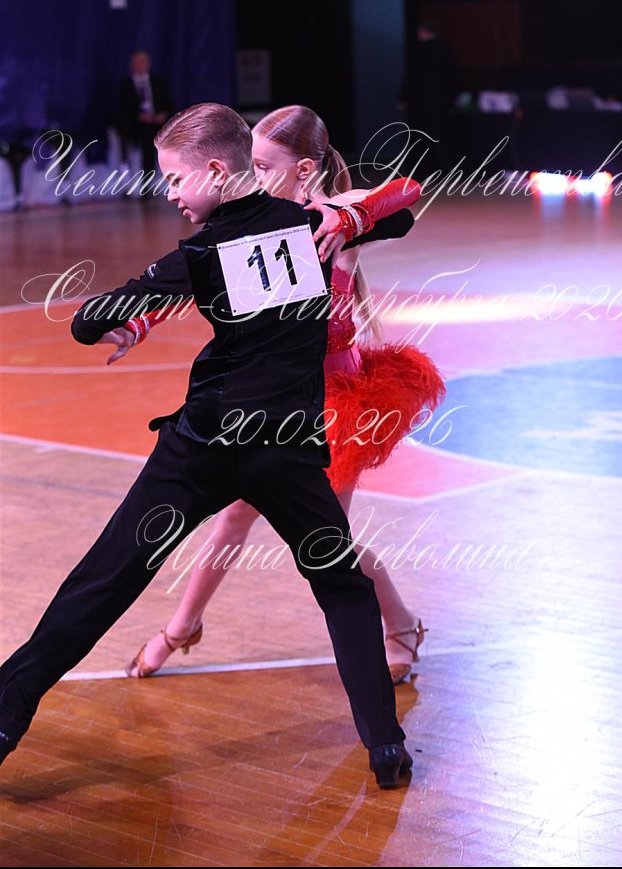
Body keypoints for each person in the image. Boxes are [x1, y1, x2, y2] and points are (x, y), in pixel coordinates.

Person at [0, 102, 413, 789]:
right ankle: (387, 746)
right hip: (286, 448)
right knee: (341, 586)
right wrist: (348, 218)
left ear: (218, 171)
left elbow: (85, 323)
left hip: (203, 449)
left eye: (175, 179)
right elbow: (399, 211)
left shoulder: (201, 252)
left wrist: (128, 309)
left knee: (105, 579)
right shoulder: (313, 227)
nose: (168, 193)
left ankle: (5, 717)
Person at [117, 105, 445, 686]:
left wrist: (350, 218)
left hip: (335, 403)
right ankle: (181, 627)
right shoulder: (256, 225)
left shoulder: (334, 217)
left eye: (265, 166)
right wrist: (139, 322)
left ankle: (399, 623)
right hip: (272, 398)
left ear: (305, 169)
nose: (254, 175)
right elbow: (197, 278)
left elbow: (407, 193)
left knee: (327, 541)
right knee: (233, 518)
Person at [398, 12, 457, 175]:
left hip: (422, 103)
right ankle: (446, 171)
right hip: (442, 102)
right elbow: (453, 78)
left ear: (423, 31)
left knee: (420, 138)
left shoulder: (419, 52)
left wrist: (403, 97)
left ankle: (421, 171)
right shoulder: (446, 51)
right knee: (441, 137)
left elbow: (413, 77)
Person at [112, 50, 175, 185]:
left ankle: (153, 179)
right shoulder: (125, 85)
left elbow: (169, 105)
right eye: (137, 62)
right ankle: (144, 183)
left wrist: (162, 115)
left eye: (143, 62)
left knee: (158, 134)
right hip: (134, 124)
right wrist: (139, 116)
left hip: (157, 123)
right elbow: (119, 108)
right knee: (146, 135)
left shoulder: (158, 82)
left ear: (148, 64)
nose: (140, 65)